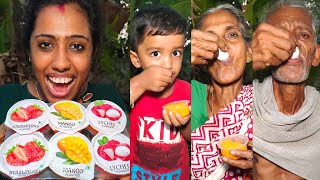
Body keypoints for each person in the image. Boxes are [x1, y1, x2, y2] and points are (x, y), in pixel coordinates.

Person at [0, 0, 127, 122]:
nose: (61, 64)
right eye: (45, 44)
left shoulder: (109, 102)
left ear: (93, 53)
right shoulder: (5, 100)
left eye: (77, 46)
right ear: (29, 51)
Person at [252, 0, 320, 179]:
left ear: (316, 55)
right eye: (280, 35)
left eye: (303, 35)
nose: (291, 43)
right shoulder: (241, 103)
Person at [190, 4, 253, 179]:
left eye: (232, 34)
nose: (222, 46)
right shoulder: (189, 94)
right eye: (209, 39)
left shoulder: (265, 104)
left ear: (249, 52)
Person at [129, 5, 190, 179]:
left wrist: (184, 124)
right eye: (155, 53)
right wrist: (140, 83)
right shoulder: (132, 89)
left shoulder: (187, 90)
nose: (168, 64)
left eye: (176, 53)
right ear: (136, 59)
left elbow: (194, 137)